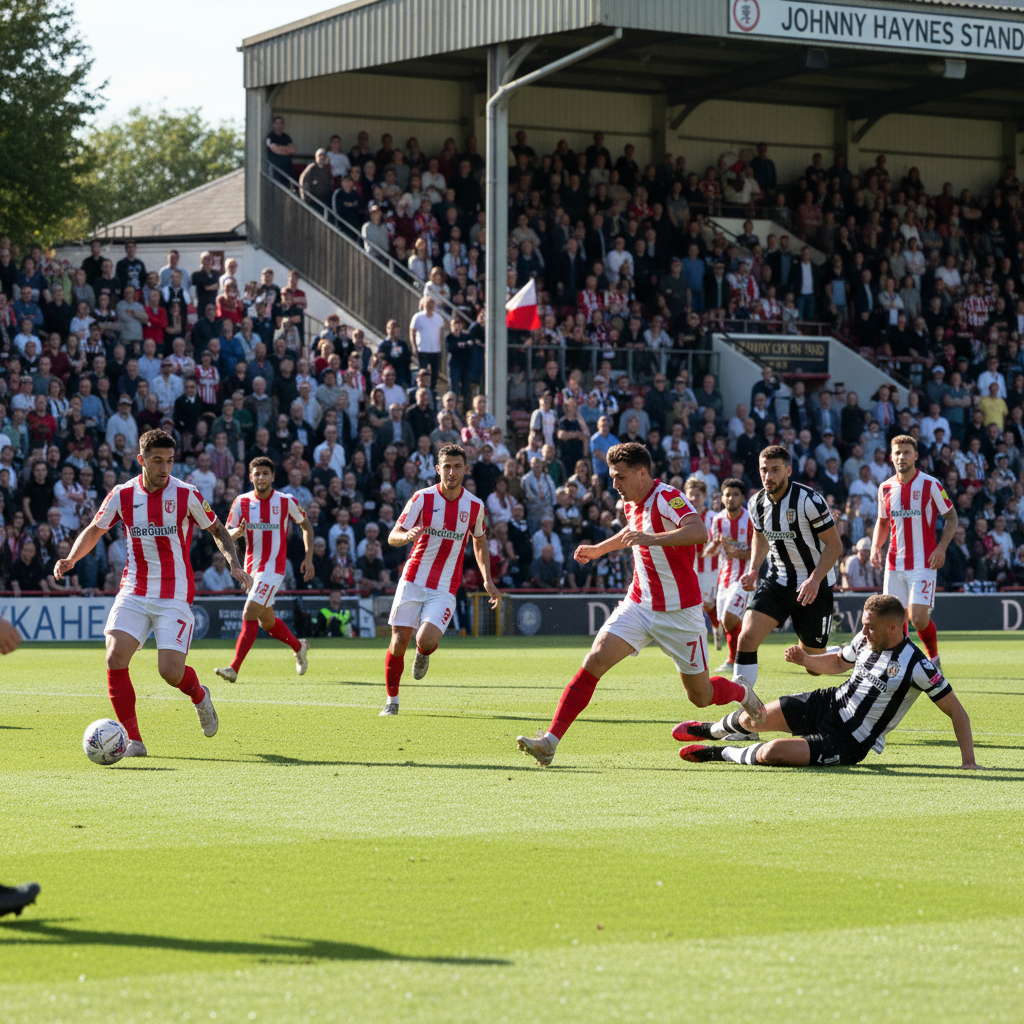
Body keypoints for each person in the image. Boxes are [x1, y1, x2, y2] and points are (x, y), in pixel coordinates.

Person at [517, 443, 765, 767]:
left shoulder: (667, 497)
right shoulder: (631, 501)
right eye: (612, 477)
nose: (614, 484)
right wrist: (598, 550)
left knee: (700, 697)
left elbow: (698, 531)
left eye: (620, 477)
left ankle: (743, 693)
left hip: (680, 613)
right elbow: (630, 533)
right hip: (639, 604)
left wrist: (654, 539)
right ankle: (550, 742)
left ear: (642, 473)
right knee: (594, 661)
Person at [53, 429, 252, 757]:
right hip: (134, 588)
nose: (165, 468)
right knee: (115, 656)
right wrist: (72, 558)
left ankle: (200, 697)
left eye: (170, 461)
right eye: (157, 461)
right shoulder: (123, 494)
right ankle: (134, 741)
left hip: (174, 593)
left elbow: (217, 529)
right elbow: (95, 529)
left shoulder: (186, 494)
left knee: (169, 672)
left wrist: (233, 563)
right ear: (141, 460)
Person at [676, 594, 984, 770]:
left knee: (772, 752)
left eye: (871, 628)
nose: (864, 633)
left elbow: (957, 711)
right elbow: (839, 661)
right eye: (863, 626)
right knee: (753, 717)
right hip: (828, 703)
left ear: (893, 628)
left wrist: (968, 762)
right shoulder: (867, 639)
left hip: (849, 740)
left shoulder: (918, 666)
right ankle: (711, 730)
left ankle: (721, 753)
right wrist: (808, 661)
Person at [381, 444, 500, 715]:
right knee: (399, 642)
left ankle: (423, 654)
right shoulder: (422, 498)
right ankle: (392, 701)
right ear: (438, 469)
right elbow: (392, 535)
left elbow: (479, 541)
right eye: (447, 466)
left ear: (466, 470)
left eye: (457, 466)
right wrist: (407, 537)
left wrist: (487, 579)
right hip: (413, 579)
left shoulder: (474, 505)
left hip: (445, 586)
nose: (452, 472)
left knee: (425, 639)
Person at [733, 446, 844, 695]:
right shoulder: (756, 503)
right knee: (747, 638)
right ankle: (742, 712)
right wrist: (753, 569)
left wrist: (815, 579)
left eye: (775, 470)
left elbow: (835, 545)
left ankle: (844, 653)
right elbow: (760, 538)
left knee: (813, 665)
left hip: (814, 586)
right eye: (764, 470)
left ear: (788, 471)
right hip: (778, 580)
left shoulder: (809, 500)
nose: (769, 476)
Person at [215, 457, 316, 682]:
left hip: (274, 568)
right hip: (252, 570)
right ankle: (299, 647)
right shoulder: (241, 502)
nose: (261, 477)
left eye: (265, 473)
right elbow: (225, 534)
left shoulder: (286, 501)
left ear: (272, 476)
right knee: (267, 621)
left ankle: (234, 668)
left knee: (249, 612)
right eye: (257, 474)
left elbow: (306, 526)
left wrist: (309, 558)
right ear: (250, 477)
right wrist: (236, 534)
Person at [870, 435, 956, 667]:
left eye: (906, 452)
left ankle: (934, 659)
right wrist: (875, 546)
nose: (901, 457)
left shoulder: (931, 484)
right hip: (894, 562)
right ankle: (903, 662)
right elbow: (883, 521)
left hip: (924, 562)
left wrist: (941, 548)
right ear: (891, 457)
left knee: (917, 617)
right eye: (897, 453)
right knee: (895, 620)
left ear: (915, 456)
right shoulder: (885, 488)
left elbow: (951, 518)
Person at [703, 477, 753, 677]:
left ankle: (735, 659)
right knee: (726, 621)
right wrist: (713, 546)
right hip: (724, 577)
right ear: (722, 498)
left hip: (745, 577)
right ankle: (738, 659)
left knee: (729, 618)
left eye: (735, 495)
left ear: (742, 497)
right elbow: (712, 550)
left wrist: (736, 553)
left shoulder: (749, 520)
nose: (730, 498)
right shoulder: (717, 520)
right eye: (727, 495)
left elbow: (758, 551)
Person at [683, 476, 722, 650]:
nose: (694, 499)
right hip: (690, 569)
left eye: (698, 495)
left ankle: (717, 631)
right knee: (693, 606)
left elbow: (721, 541)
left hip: (711, 570)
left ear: (705, 496)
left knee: (709, 604)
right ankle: (695, 641)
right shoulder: (682, 518)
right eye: (691, 494)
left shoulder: (714, 517)